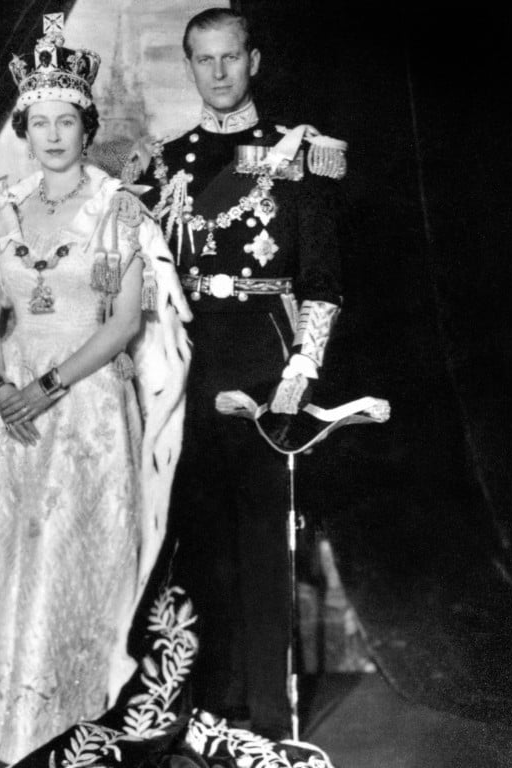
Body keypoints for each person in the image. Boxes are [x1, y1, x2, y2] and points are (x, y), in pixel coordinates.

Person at [0, 15, 191, 764]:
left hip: (82, 405)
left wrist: (47, 385)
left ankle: (61, 715)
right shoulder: (1, 210)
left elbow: (120, 323)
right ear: (25, 128)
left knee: (64, 560)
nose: (52, 135)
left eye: (66, 121)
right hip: (6, 406)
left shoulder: (118, 210)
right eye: (39, 122)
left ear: (87, 127)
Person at [129, 7, 347, 739]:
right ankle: (207, 713)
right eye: (204, 60)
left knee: (262, 536)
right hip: (187, 357)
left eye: (230, 58)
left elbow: (321, 281)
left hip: (262, 352)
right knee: (198, 538)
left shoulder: (298, 154)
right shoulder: (165, 162)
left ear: (252, 61)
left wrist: (302, 370)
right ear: (191, 66)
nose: (218, 73)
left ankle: (266, 718)